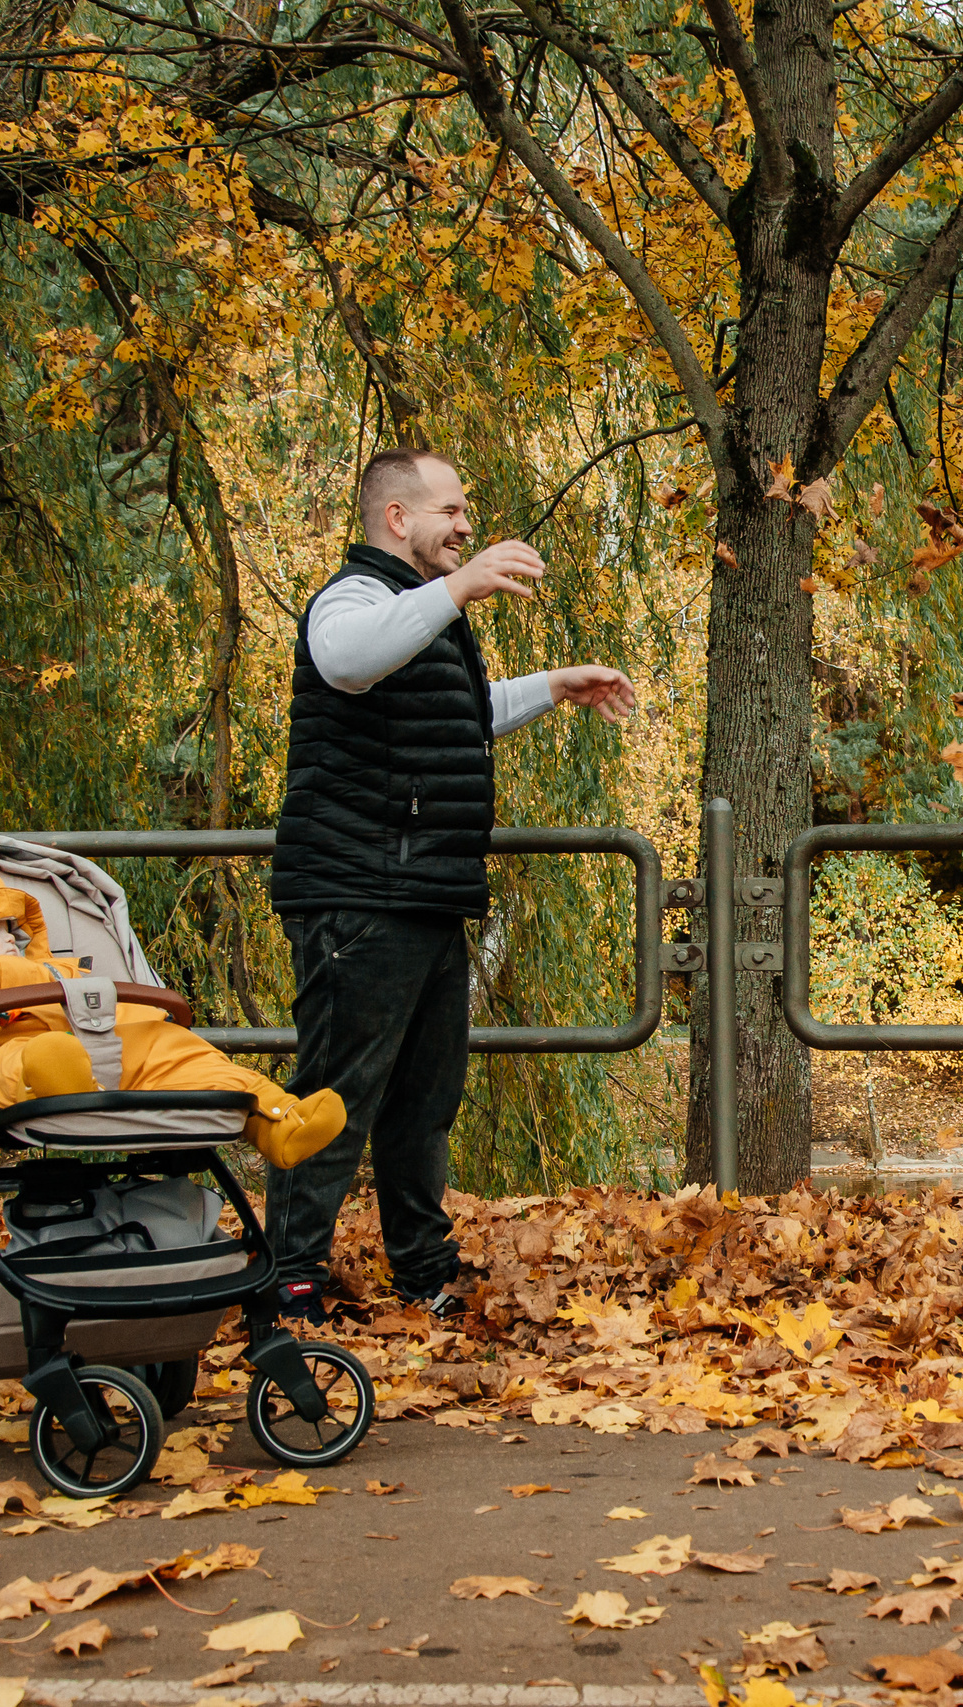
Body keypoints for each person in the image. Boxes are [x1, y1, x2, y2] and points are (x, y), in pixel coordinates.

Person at [268, 447, 636, 1319]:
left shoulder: (419, 615)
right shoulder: (354, 600)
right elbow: (350, 660)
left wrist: (553, 686)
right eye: (452, 510)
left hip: (426, 893)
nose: (468, 526)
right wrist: (462, 586)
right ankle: (288, 1284)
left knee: (425, 1100)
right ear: (398, 518)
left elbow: (457, 714)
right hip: (359, 895)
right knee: (334, 1098)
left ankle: (424, 1272)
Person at [0, 851, 344, 1168]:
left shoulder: (54, 969)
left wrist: (151, 1024)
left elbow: (113, 1005)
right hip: (0, 1059)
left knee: (179, 1049)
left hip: (98, 1046)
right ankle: (60, 1083)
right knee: (26, 1062)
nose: (9, 937)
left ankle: (277, 1119)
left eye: (12, 926)